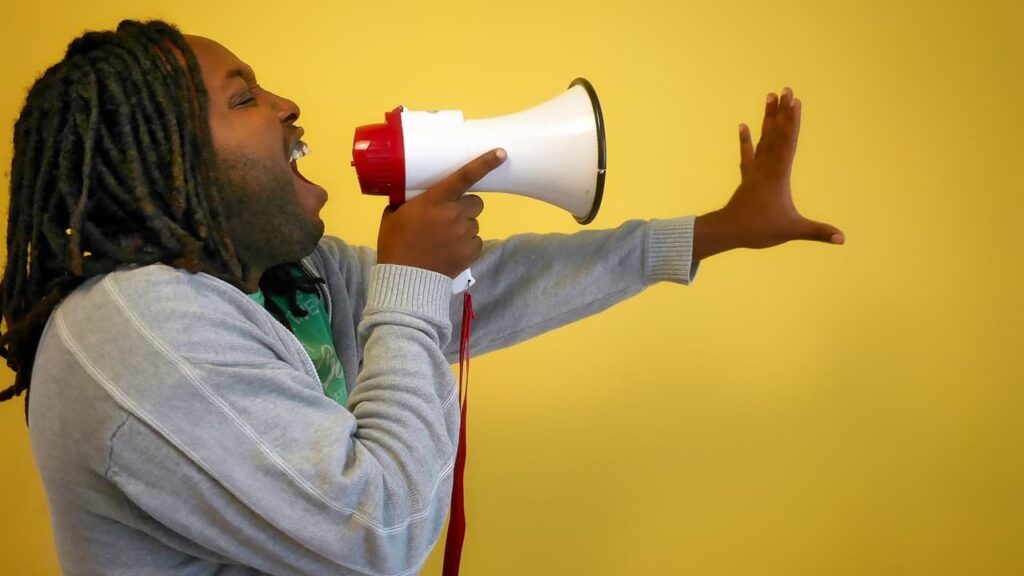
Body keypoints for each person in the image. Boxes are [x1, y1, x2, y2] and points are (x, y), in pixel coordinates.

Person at [0, 19, 844, 576]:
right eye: (245, 97)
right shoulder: (132, 328)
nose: (289, 106)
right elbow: (380, 529)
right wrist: (412, 280)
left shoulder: (285, 283)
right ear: (163, 159)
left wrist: (711, 232)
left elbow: (486, 289)